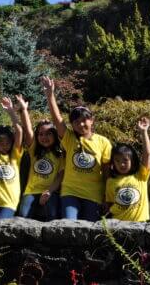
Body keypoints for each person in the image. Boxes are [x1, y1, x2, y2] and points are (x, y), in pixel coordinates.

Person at [41, 76, 111, 221]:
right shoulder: (69, 138)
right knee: (68, 225)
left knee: (89, 229)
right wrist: (50, 96)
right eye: (76, 122)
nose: (80, 125)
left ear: (91, 120)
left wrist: (107, 197)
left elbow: (106, 173)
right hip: (70, 192)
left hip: (94, 194)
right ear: (72, 125)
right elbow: (57, 119)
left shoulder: (103, 142)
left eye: (84, 120)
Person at [18, 95, 64, 221]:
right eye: (41, 134)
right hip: (31, 191)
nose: (44, 137)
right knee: (23, 216)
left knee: (53, 215)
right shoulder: (34, 151)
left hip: (50, 191)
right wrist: (24, 110)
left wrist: (49, 191)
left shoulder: (60, 155)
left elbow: (60, 176)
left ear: (55, 136)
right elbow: (27, 130)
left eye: (49, 134)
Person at [105, 117, 150, 222]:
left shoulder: (141, 176)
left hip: (139, 224)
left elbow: (147, 154)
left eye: (125, 160)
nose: (121, 164)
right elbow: (109, 205)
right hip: (117, 225)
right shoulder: (110, 181)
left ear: (132, 161)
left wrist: (144, 132)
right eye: (117, 161)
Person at [0, 96, 24, 219]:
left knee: (2, 224)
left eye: (7, 143)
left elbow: (19, 131)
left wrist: (11, 110)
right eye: (1, 143)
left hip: (10, 201)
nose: (4, 146)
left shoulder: (14, 155)